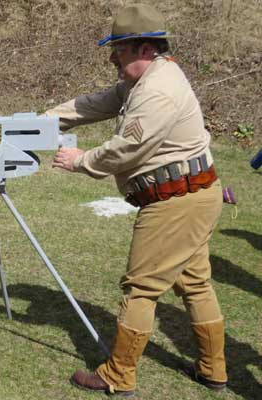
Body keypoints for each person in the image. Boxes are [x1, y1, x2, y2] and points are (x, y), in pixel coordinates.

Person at [46, 3, 227, 397]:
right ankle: (213, 370)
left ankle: (117, 375)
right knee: (195, 284)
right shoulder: (144, 80)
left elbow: (129, 147)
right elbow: (94, 104)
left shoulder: (159, 90)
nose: (112, 57)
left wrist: (81, 161)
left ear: (145, 49)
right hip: (191, 196)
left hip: (175, 202)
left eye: (119, 49)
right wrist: (38, 121)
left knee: (141, 289)